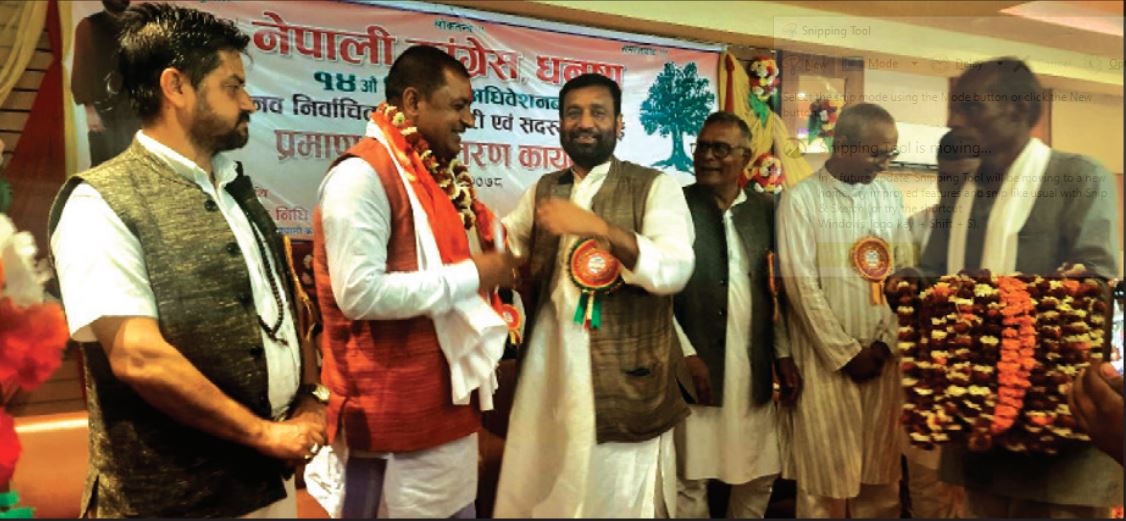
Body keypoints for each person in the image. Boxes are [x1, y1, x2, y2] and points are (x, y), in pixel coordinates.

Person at [48, 4, 325, 517]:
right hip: (173, 501)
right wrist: (263, 434)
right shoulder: (99, 201)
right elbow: (138, 356)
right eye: (232, 86)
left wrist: (312, 399)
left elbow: (285, 310)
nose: (249, 103)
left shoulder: (236, 189)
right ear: (175, 86)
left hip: (268, 483)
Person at [309, 44, 519, 518]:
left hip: (445, 419)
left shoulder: (434, 179)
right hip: (386, 428)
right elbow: (359, 294)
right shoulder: (361, 176)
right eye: (458, 105)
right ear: (412, 102)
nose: (468, 120)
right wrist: (475, 274)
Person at [907, 57, 1123, 519]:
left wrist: (993, 296)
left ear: (1022, 111)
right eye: (955, 106)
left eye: (971, 106)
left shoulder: (1078, 177)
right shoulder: (960, 193)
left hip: (1057, 434)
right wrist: (911, 285)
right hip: (977, 427)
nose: (955, 120)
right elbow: (933, 278)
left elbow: (1096, 292)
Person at [493, 73, 696, 518]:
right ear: (561, 124)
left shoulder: (654, 186)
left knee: (616, 500)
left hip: (625, 380)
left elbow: (675, 267)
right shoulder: (544, 189)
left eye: (598, 112)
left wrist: (601, 229)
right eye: (573, 113)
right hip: (550, 377)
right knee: (550, 496)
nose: (585, 122)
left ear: (619, 124)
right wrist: (469, 223)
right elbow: (504, 247)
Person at [777, 103, 914, 518]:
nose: (885, 163)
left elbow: (906, 276)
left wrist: (886, 345)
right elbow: (800, 285)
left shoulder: (890, 197)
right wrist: (846, 354)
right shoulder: (800, 200)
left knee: (881, 488)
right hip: (826, 368)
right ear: (843, 145)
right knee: (823, 491)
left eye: (890, 153)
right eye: (877, 153)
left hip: (883, 364)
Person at [672, 111, 801, 518]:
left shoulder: (768, 210)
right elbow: (656, 298)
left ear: (745, 157)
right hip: (694, 366)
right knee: (690, 476)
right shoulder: (674, 206)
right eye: (702, 147)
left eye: (721, 148)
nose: (707, 156)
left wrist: (782, 354)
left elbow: (777, 293)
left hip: (752, 367)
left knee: (760, 471)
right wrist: (685, 354)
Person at [900, 129, 978, 519]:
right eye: (948, 178)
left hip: (982, 383)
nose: (957, 189)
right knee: (926, 484)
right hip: (926, 378)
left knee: (973, 494)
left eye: (967, 179)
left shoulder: (1006, 232)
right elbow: (895, 299)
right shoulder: (915, 228)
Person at [71, 0, 141, 167]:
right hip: (103, 110)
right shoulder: (89, 26)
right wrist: (90, 110)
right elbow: (81, 71)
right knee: (103, 164)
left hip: (133, 110)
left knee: (132, 165)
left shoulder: (139, 26)